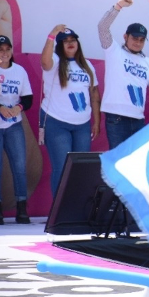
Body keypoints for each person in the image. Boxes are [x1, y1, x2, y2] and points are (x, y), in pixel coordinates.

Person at [40, 25, 100, 197]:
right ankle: (58, 215)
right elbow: (44, 62)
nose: (70, 43)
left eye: (72, 40)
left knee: (80, 169)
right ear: (59, 45)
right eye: (65, 41)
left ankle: (76, 212)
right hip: (56, 121)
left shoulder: (87, 65)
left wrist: (96, 121)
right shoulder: (55, 62)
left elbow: (94, 93)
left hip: (82, 124)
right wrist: (51, 35)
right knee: (62, 166)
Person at [97, 0, 149, 149]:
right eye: (134, 38)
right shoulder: (113, 51)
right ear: (126, 36)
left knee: (135, 163)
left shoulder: (148, 62)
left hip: (138, 118)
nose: (138, 42)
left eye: (141, 40)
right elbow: (102, 27)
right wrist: (118, 6)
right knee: (118, 162)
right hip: (116, 117)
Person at [0, 35, 33, 225]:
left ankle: (22, 208)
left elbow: (28, 99)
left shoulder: (20, 71)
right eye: (0, 50)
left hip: (14, 125)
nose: (4, 53)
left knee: (20, 167)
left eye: (7, 49)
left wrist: (18, 108)